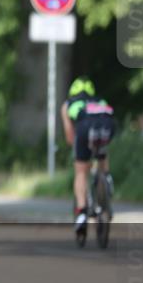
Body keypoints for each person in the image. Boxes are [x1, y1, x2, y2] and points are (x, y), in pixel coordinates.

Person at [60, 77, 116, 239]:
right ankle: (106, 178)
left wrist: (79, 153)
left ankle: (82, 213)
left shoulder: (68, 104)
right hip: (107, 125)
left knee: (81, 172)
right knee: (102, 151)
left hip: (85, 129)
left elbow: (70, 137)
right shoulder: (99, 101)